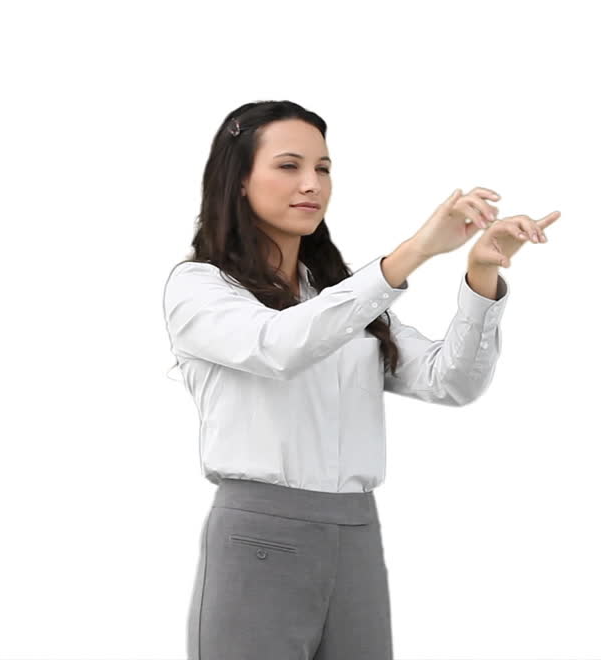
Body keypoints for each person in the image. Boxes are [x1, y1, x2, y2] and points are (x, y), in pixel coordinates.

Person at [162, 101, 560, 659]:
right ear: (239, 179)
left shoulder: (344, 297)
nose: (312, 184)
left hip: (355, 533)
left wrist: (480, 273)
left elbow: (452, 382)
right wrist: (413, 253)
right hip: (260, 535)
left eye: (323, 169)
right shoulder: (200, 288)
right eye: (289, 166)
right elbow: (278, 346)